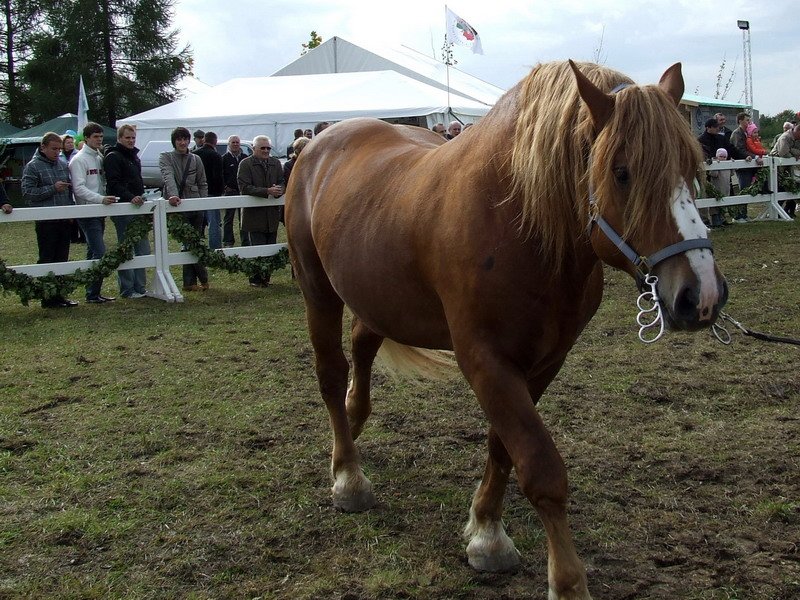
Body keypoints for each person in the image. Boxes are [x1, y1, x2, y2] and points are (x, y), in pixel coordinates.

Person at [21, 132, 79, 308]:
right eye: (53, 149)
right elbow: (27, 193)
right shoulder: (32, 167)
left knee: (62, 257)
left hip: (63, 220)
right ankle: (47, 297)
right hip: (46, 221)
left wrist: (70, 211)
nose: (57, 152)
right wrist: (52, 189)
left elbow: (69, 191)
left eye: (59, 149)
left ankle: (59, 295)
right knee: (47, 258)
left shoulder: (62, 165)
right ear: (43, 147)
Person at [68, 122, 118, 303]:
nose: (99, 140)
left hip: (98, 210)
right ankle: (92, 292)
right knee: (100, 251)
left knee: (92, 251)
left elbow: (100, 183)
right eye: (95, 137)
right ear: (87, 138)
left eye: (101, 137)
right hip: (87, 210)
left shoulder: (98, 157)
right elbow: (78, 189)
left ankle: (92, 292)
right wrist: (100, 198)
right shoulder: (79, 160)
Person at [160, 126, 209, 292]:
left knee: (195, 241)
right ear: (174, 141)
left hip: (196, 205)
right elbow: (168, 177)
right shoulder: (166, 157)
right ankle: (200, 279)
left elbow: (202, 182)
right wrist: (173, 196)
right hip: (177, 206)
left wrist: (203, 203)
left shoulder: (196, 159)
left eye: (185, 139)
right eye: (179, 139)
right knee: (187, 243)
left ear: (189, 140)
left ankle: (192, 282)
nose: (182, 142)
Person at [104, 124, 150, 299]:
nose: (131, 141)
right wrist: (130, 196)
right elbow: (114, 183)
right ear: (119, 138)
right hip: (124, 208)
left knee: (143, 248)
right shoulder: (113, 157)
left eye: (133, 138)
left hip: (138, 207)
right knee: (127, 248)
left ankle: (140, 286)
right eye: (127, 138)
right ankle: (127, 288)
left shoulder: (134, 157)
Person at [238, 134, 284, 287]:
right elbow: (245, 187)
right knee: (256, 247)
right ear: (254, 149)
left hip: (271, 214)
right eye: (262, 148)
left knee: (270, 246)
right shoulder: (245, 164)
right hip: (254, 214)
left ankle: (267, 277)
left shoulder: (275, 163)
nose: (265, 151)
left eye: (268, 148)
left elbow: (282, 181)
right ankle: (255, 278)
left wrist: (279, 190)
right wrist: (267, 191)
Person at [193, 130, 224, 249]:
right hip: (212, 192)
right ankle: (215, 247)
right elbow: (218, 176)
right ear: (215, 142)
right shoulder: (216, 155)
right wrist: (220, 191)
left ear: (204, 140)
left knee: (197, 222)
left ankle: (195, 246)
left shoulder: (195, 154)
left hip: (196, 192)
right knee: (214, 222)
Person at [728, 112, 761, 222]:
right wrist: (753, 156)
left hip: (748, 165)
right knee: (743, 189)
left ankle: (744, 214)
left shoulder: (746, 133)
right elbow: (739, 150)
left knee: (746, 188)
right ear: (740, 121)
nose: (748, 122)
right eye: (747, 120)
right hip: (742, 166)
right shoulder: (737, 133)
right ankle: (739, 215)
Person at [769, 123, 800, 218]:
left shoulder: (796, 139)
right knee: (780, 187)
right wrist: (795, 154)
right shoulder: (785, 137)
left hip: (788, 168)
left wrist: (793, 151)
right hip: (777, 167)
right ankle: (777, 212)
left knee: (793, 186)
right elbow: (783, 153)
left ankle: (788, 210)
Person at [221, 134, 248, 247]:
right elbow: (220, 175)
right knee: (228, 218)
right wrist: (225, 187)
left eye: (237, 142)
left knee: (244, 218)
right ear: (229, 144)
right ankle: (228, 241)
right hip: (230, 192)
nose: (236, 144)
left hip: (243, 192)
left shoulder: (245, 157)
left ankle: (246, 242)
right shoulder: (224, 158)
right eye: (233, 142)